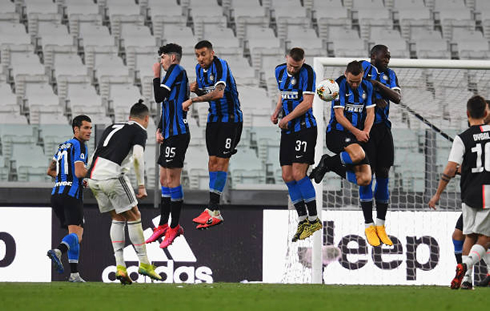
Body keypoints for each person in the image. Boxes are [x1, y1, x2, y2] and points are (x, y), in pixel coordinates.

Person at [86, 101, 162, 285]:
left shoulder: (113, 126)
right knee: (135, 215)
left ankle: (120, 267)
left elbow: (96, 152)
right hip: (112, 176)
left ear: (129, 117)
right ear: (146, 119)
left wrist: (87, 175)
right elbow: (137, 156)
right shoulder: (139, 131)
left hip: (94, 178)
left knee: (118, 218)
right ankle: (144, 263)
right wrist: (142, 185)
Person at [309, 60, 375, 243]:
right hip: (337, 134)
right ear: (346, 74)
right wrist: (358, 133)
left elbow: (370, 113)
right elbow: (339, 115)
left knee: (365, 179)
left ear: (362, 76)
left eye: (358, 81)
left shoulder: (367, 87)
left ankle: (328, 164)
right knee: (359, 154)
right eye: (352, 81)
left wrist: (366, 132)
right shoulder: (339, 85)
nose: (355, 84)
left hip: (358, 136)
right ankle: (328, 162)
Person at [429, 95, 490, 290]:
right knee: (486, 238)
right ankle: (465, 266)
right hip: (488, 191)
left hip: (468, 193)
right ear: (487, 113)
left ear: (467, 113)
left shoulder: (462, 138)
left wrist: (438, 194)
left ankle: (466, 280)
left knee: (469, 235)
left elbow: (449, 169)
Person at [182, 40, 243, 229]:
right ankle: (212, 210)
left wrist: (192, 100)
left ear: (212, 53)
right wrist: (190, 87)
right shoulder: (199, 69)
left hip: (231, 120)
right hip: (214, 119)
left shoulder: (220, 65)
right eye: (197, 55)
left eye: (203, 54)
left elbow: (218, 93)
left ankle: (214, 208)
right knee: (212, 161)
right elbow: (203, 87)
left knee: (222, 161)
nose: (200, 58)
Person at [270, 47, 321, 242]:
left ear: (302, 62)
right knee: (287, 175)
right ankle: (303, 221)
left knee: (299, 173)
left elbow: (307, 103)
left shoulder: (308, 72)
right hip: (288, 130)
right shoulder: (279, 70)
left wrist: (287, 118)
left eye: (296, 66)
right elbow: (284, 94)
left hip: (304, 129)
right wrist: (277, 112)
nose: (292, 69)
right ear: (286, 60)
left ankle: (314, 219)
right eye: (291, 65)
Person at [355, 45, 402, 247]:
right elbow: (356, 88)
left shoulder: (390, 74)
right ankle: (368, 225)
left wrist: (377, 86)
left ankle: (381, 225)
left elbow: (397, 98)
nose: (388, 59)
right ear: (373, 56)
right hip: (366, 130)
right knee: (367, 176)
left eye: (389, 56)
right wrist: (376, 95)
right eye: (385, 56)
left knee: (384, 173)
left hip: (383, 129)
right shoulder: (363, 66)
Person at [145, 43, 189, 248]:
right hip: (169, 133)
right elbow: (168, 105)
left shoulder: (177, 70)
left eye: (163, 57)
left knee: (173, 179)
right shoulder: (173, 74)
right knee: (163, 178)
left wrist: (155, 76)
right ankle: (162, 224)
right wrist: (160, 128)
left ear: (172, 57)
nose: (160, 61)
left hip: (179, 134)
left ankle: (175, 226)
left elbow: (158, 97)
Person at [46, 115, 92, 283]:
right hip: (71, 196)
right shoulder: (80, 145)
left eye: (90, 128)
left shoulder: (62, 146)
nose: (89, 131)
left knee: (73, 234)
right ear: (76, 129)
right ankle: (58, 251)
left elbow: (50, 170)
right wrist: (93, 172)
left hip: (56, 194)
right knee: (77, 236)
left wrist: (66, 177)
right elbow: (80, 173)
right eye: (85, 128)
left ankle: (74, 274)